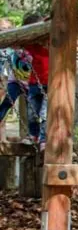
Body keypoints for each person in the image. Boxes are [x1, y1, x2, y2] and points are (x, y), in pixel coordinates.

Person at [0, 14, 49, 149]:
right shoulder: (25, 44)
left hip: (37, 82)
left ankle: (39, 137)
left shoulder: (45, 45)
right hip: (19, 80)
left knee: (39, 112)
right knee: (10, 105)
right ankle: (33, 135)